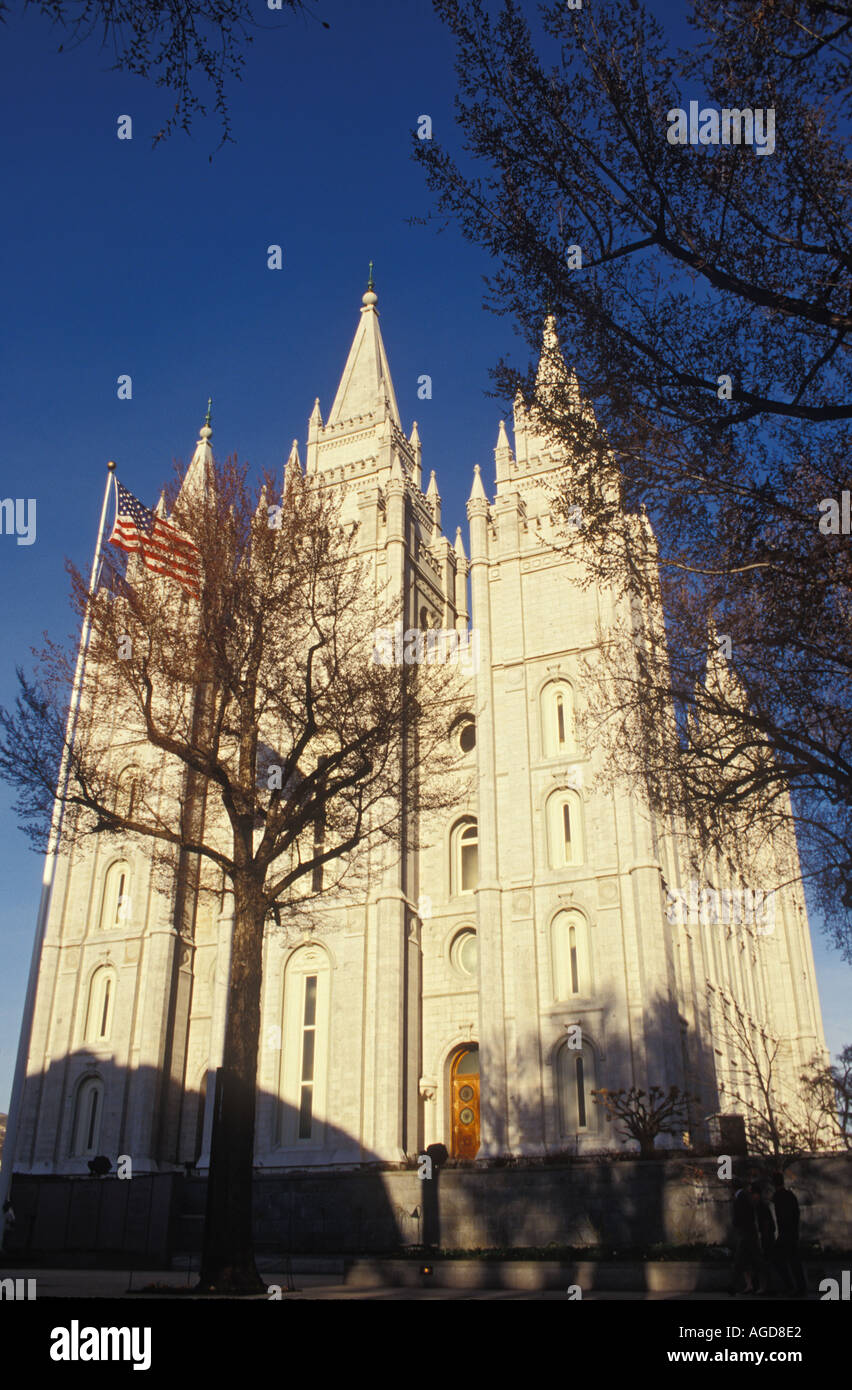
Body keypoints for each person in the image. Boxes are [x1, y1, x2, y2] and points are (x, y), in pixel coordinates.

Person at [772, 1171, 806, 1295]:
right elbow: (795, 1213)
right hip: (791, 1232)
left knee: (779, 1259)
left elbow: (784, 1217)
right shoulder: (790, 1195)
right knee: (794, 1260)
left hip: (786, 1233)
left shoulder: (779, 1197)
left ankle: (791, 1286)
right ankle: (799, 1286)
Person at [728, 1181, 759, 1294]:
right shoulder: (744, 1197)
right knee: (746, 1260)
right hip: (747, 1232)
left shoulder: (741, 1198)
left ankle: (733, 1286)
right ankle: (749, 1285)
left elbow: (741, 1216)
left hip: (745, 1233)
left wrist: (736, 1224)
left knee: (742, 1260)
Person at [750, 1181, 776, 1293]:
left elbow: (766, 1223)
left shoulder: (761, 1207)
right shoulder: (759, 1206)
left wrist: (763, 1237)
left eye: (753, 1194)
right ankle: (763, 1286)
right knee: (763, 1263)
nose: (752, 1197)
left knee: (763, 1263)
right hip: (765, 1237)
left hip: (765, 1239)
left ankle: (764, 1287)